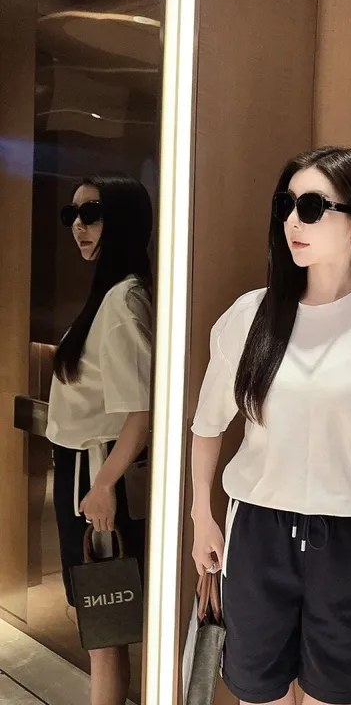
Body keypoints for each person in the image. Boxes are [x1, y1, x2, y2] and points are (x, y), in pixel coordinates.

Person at [190, 146, 351, 705]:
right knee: (259, 694)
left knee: (335, 696)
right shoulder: (249, 316)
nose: (292, 221)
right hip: (257, 530)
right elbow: (208, 425)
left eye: (311, 207)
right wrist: (200, 514)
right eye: (285, 205)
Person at [47, 173, 153, 705]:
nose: (79, 226)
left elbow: (141, 410)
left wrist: (105, 484)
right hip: (87, 469)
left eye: (91, 214)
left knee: (105, 625)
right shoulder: (112, 296)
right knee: (102, 624)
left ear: (122, 220)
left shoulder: (122, 302)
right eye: (72, 215)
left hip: (98, 470)